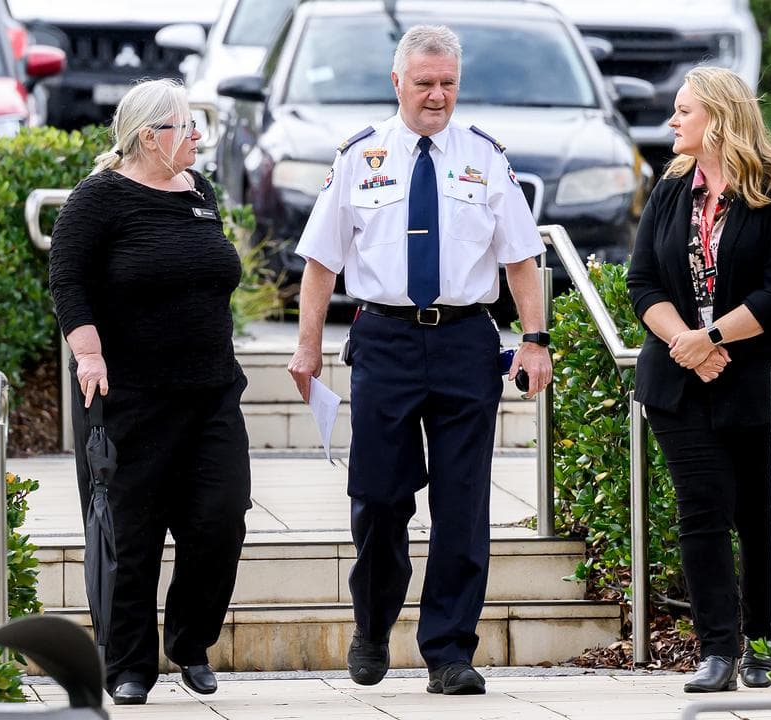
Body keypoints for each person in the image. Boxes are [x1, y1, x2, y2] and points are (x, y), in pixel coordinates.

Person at [287, 25, 553, 696]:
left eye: (448, 84)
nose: (437, 96)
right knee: (379, 497)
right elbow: (321, 262)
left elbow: (521, 258)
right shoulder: (359, 156)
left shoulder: (485, 157)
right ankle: (373, 623)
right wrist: (308, 344)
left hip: (466, 341)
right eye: (425, 82)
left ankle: (449, 651)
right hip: (385, 339)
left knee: (462, 505)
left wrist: (535, 338)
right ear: (397, 82)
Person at [48, 79, 251, 705]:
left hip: (212, 391)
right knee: (130, 534)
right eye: (186, 128)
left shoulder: (199, 192)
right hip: (129, 396)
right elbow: (67, 277)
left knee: (220, 520)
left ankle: (190, 642)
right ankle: (129, 665)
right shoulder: (98, 198)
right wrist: (88, 354)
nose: (196, 138)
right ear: (149, 136)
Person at [625, 66, 771, 692]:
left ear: (720, 117)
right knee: (701, 511)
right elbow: (642, 282)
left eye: (684, 111)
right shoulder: (672, 187)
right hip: (680, 381)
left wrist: (710, 338)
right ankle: (718, 651)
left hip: (759, 378)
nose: (672, 121)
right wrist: (685, 342)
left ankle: (767, 641)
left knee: (762, 516)